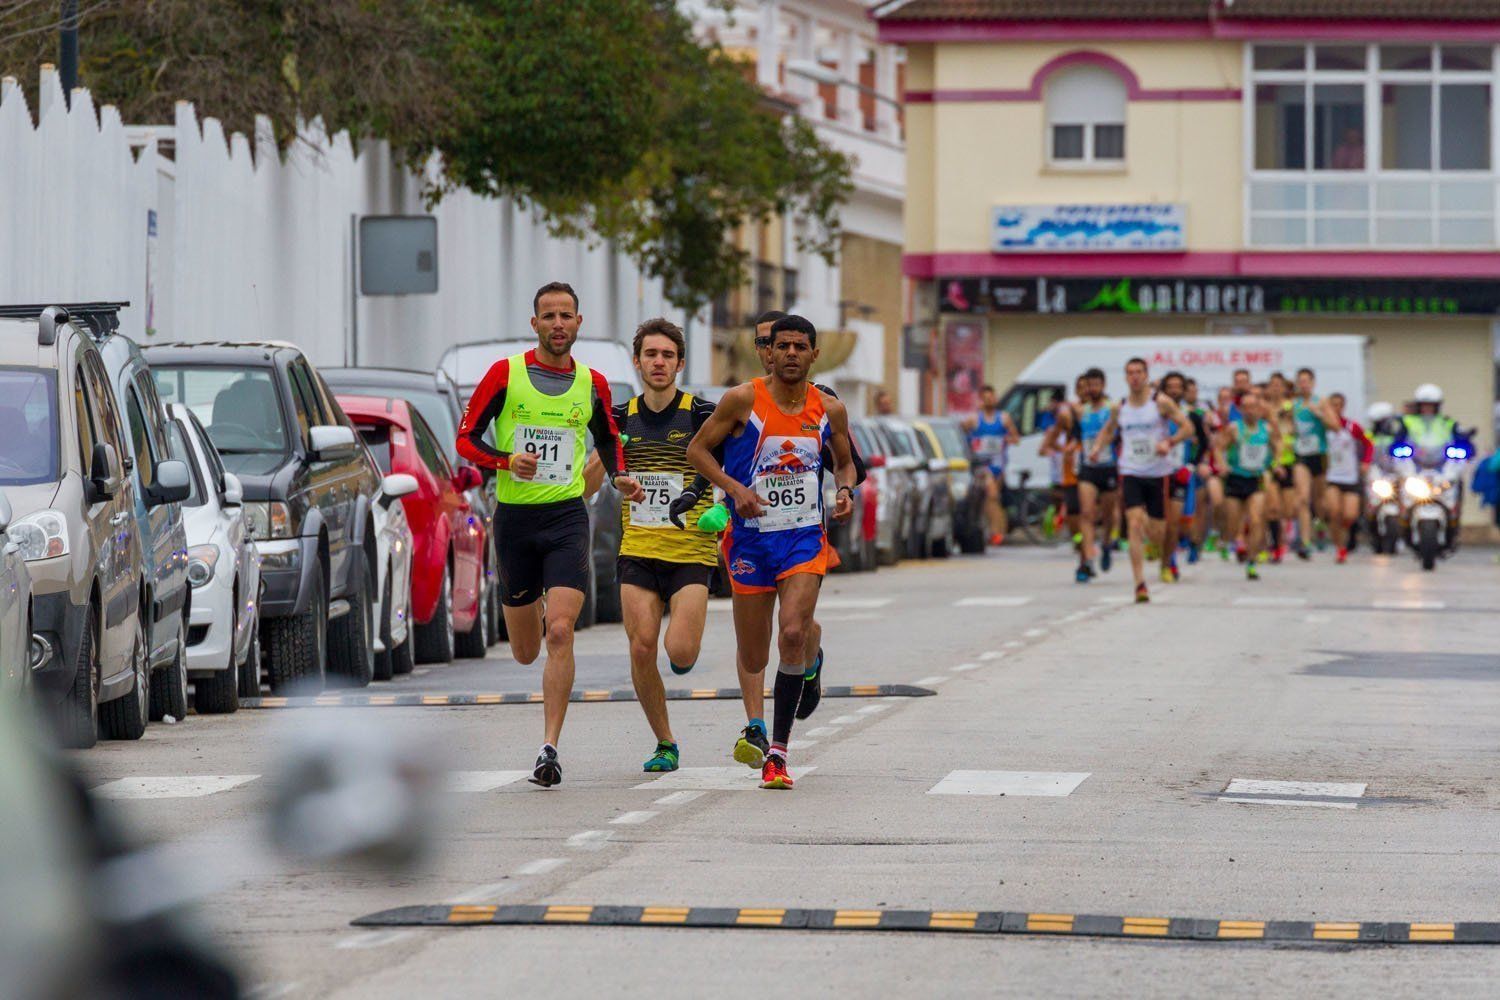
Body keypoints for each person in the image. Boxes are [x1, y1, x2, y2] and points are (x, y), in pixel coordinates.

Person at [455, 281, 644, 789]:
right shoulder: (506, 374)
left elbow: (609, 439)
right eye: (549, 315)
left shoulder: (593, 382)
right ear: (534, 324)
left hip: (566, 518)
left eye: (567, 315)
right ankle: (528, 607)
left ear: (579, 323)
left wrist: (622, 475)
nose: (558, 324)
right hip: (515, 522)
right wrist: (504, 460)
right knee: (523, 649)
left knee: (560, 631)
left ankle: (549, 748)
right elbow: (465, 439)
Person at [686, 315, 856, 790]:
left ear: (813, 355)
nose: (791, 354)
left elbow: (844, 463)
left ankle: (777, 753)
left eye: (801, 346)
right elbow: (697, 451)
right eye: (783, 345)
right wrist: (734, 488)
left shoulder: (829, 409)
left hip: (803, 538)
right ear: (770, 351)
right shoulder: (743, 400)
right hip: (750, 540)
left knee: (792, 633)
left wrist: (844, 492)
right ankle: (810, 662)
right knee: (754, 652)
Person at [611, 318, 720, 773]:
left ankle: (679, 658)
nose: (659, 362)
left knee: (680, 652)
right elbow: (593, 476)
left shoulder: (702, 413)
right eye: (651, 355)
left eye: (667, 355)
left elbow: (724, 463)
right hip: (637, 545)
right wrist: (614, 476)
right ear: (637, 362)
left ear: (680, 362)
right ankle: (665, 742)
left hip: (690, 549)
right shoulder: (618, 417)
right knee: (641, 647)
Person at [1089, 358, 1192, 603]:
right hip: (1131, 470)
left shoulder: (1161, 403)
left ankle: (1155, 544)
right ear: (1126, 377)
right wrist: (1096, 447)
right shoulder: (1120, 406)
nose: (1134, 377)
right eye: (1130, 373)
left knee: (1158, 531)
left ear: (1146, 375)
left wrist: (1170, 442)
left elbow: (1187, 427)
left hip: (1158, 472)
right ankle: (1140, 584)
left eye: (1138, 372)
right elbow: (1108, 429)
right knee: (1133, 523)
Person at [1214, 386, 1281, 579]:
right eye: (1246, 407)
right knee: (1234, 522)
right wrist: (1222, 465)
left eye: (1254, 406)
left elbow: (1277, 446)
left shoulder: (1267, 429)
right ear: (1241, 410)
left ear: (1260, 409)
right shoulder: (1234, 428)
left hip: (1256, 478)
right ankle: (1234, 541)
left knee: (1257, 518)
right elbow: (1218, 448)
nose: (1250, 410)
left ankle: (1251, 561)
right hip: (1236, 477)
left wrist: (1275, 464)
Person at [1157, 371, 1208, 582]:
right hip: (1157, 471)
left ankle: (1170, 561)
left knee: (1176, 521)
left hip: (1180, 472)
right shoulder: (1156, 412)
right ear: (1165, 390)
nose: (1175, 390)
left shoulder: (1192, 415)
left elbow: (1204, 442)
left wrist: (1192, 465)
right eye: (1171, 386)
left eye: (1179, 386)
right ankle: (1163, 555)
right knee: (1158, 522)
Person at [1075, 367, 1119, 578]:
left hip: (1108, 466)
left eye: (1096, 385)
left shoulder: (1112, 409)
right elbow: (1074, 437)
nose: (1092, 389)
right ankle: (1087, 560)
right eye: (1089, 385)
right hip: (1088, 469)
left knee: (1108, 516)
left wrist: (1100, 447)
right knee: (1087, 513)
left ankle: (1107, 543)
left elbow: (1113, 434)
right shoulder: (1080, 410)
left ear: (1103, 386)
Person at [1290, 367, 1337, 559]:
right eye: (1300, 381)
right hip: (1301, 455)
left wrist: (1319, 414)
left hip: (1319, 454)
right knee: (1302, 498)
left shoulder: (1322, 402)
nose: (1304, 385)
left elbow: (1335, 425)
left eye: (1307, 381)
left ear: (1313, 383)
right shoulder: (1294, 404)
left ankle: (1320, 526)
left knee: (1320, 501)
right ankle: (1305, 542)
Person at [1321, 392, 1373, 564]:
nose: (1335, 408)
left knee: (1349, 514)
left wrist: (1365, 462)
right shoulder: (1323, 428)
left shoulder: (1352, 427)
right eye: (1332, 405)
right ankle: (1339, 547)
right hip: (1332, 476)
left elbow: (1368, 443)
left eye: (1338, 405)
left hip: (1350, 476)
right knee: (1334, 511)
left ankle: (1343, 534)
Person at [965, 385, 1021, 546]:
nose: (990, 400)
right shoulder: (974, 419)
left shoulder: (1004, 418)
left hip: (999, 465)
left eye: (992, 397)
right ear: (981, 400)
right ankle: (995, 532)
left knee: (994, 499)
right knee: (992, 494)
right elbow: (961, 434)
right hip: (982, 465)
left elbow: (1016, 438)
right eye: (986, 398)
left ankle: (998, 531)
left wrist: (1005, 440)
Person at [1040, 384, 1085, 580]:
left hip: (1094, 471)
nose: (1087, 390)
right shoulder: (1066, 415)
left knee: (1090, 515)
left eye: (1091, 385)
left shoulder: (1104, 412)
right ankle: (1081, 547)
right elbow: (1047, 444)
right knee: (1074, 517)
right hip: (1071, 473)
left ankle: (1091, 553)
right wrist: (1064, 450)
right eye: (1082, 387)